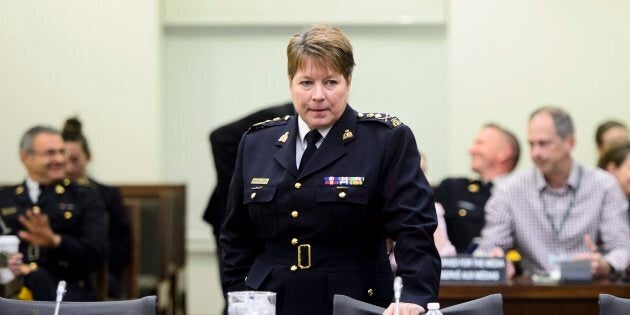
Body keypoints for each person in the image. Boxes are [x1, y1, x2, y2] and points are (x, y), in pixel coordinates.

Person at [220, 24, 440, 315]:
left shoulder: (384, 140)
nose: (318, 95)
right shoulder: (257, 142)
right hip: (271, 300)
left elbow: (414, 227)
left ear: (348, 81)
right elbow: (236, 236)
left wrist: (415, 296)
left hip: (354, 299)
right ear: (290, 83)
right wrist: (241, 297)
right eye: (306, 82)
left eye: (331, 82)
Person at [476, 106, 630, 278]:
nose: (535, 153)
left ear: (569, 142)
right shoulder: (510, 190)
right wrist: (495, 261)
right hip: (531, 295)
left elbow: (622, 249)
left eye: (544, 144)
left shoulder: (603, 185)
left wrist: (606, 264)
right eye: (531, 144)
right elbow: (487, 251)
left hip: (589, 291)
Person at [202, 102, 294, 312]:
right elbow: (220, 138)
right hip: (236, 217)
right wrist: (241, 196)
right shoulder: (278, 119)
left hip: (269, 221)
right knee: (239, 294)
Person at [0, 125, 108, 301]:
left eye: (62, 152)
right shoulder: (5, 199)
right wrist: (7, 263)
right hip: (11, 294)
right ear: (26, 157)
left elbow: (98, 254)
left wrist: (56, 241)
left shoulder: (84, 196)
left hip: (66, 294)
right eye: (50, 153)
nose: (59, 159)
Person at [62, 117, 131, 298]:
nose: (68, 168)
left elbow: (123, 245)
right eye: (63, 160)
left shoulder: (106, 195)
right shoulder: (50, 196)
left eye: (75, 160)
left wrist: (92, 255)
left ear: (88, 156)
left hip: (98, 269)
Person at [434, 123, 520, 253]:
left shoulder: (523, 196)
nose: (471, 150)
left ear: (504, 153)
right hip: (458, 270)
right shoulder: (452, 189)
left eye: (480, 143)